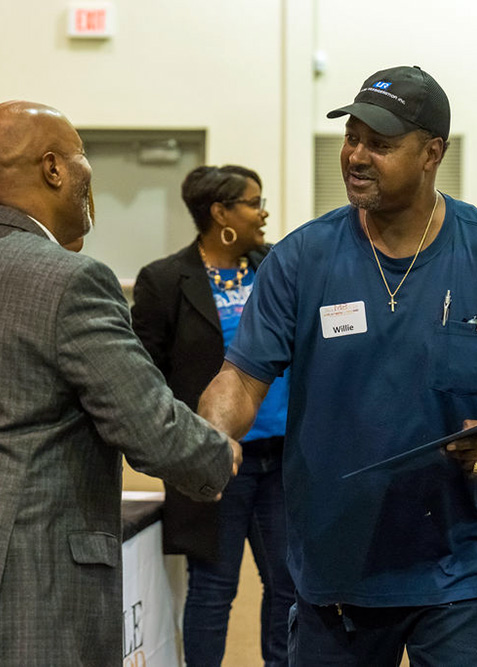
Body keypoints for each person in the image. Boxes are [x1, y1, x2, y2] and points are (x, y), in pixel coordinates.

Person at [197, 66, 477, 666]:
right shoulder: (301, 260)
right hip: (339, 565)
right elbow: (242, 376)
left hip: (468, 561)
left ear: (431, 153)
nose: (357, 156)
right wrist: (208, 434)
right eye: (352, 137)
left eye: (380, 144)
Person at [0, 101, 241, 667]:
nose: (91, 175)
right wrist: (218, 453)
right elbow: (149, 426)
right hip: (25, 609)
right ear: (54, 169)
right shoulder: (73, 282)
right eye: (83, 156)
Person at [131, 165, 295, 667]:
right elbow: (146, 373)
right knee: (213, 589)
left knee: (288, 587)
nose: (263, 212)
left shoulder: (277, 265)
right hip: (215, 461)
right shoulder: (164, 280)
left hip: (284, 457)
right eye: (253, 202)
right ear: (221, 213)